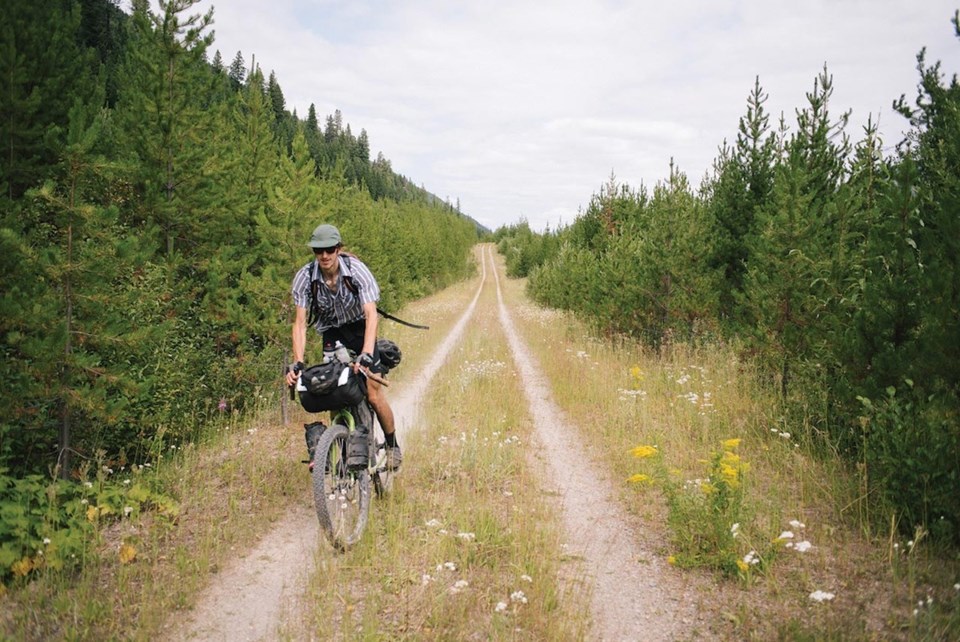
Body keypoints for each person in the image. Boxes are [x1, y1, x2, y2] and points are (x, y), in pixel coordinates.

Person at [285, 223, 401, 470]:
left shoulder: (357, 271)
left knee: (373, 393)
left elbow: (371, 314)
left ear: (339, 249)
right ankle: (343, 444)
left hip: (360, 328)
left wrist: (367, 353)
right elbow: (300, 323)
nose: (324, 256)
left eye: (329, 249)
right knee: (331, 389)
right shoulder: (305, 278)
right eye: (319, 251)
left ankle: (392, 446)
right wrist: (297, 361)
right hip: (331, 331)